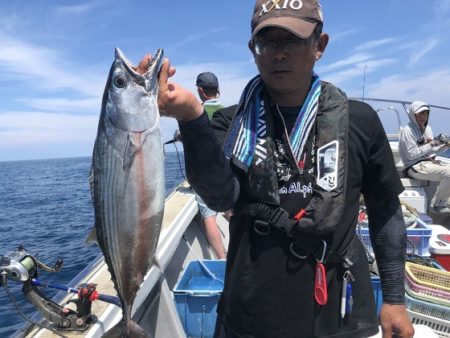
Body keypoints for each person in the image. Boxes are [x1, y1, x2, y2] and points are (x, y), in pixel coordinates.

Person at [137, 1, 414, 337]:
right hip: (251, 312)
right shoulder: (231, 122)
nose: (279, 54)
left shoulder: (360, 121)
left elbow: (386, 210)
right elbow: (219, 194)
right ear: (254, 51)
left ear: (319, 46)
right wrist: (192, 117)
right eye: (267, 43)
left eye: (293, 40)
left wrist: (395, 298)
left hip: (338, 315)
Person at [194, 72, 226, 259]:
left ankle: (222, 259)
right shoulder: (228, 111)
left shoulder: (196, 113)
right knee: (230, 209)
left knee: (209, 216)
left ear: (200, 91)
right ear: (218, 90)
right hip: (226, 170)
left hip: (204, 174)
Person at [399, 100, 450, 213]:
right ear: (413, 114)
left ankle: (442, 201)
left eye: (426, 113)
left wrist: (445, 146)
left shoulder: (427, 129)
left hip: (427, 162)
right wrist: (432, 143)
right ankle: (438, 204)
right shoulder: (407, 131)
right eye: (420, 114)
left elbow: (431, 152)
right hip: (413, 167)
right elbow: (411, 155)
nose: (424, 116)